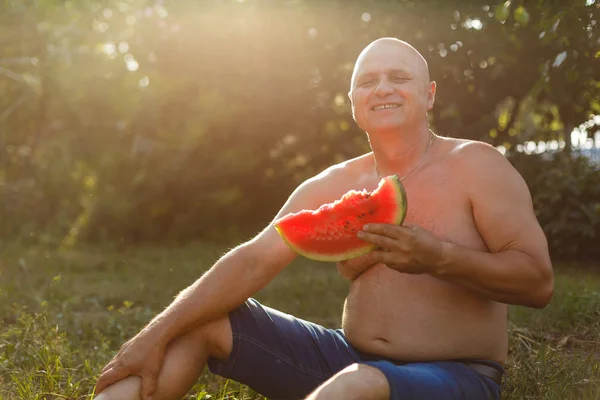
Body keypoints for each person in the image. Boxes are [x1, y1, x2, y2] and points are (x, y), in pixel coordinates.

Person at [93, 38, 554, 400]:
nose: (383, 88)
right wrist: (150, 336)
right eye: (368, 81)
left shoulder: (477, 164)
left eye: (400, 77)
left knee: (359, 384)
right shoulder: (333, 183)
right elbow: (254, 260)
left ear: (429, 94)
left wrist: (439, 257)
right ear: (353, 101)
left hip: (457, 374)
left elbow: (537, 283)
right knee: (202, 319)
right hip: (344, 356)